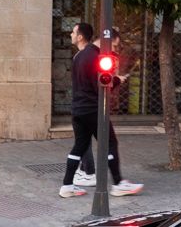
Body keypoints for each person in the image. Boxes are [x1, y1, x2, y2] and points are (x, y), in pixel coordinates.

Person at [59, 22, 142, 198]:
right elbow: (102, 85)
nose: (113, 50)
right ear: (107, 40)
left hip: (78, 108)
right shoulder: (96, 57)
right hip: (93, 109)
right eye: (113, 45)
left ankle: (67, 185)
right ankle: (118, 183)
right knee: (110, 143)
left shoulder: (79, 56)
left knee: (80, 146)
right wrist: (117, 80)